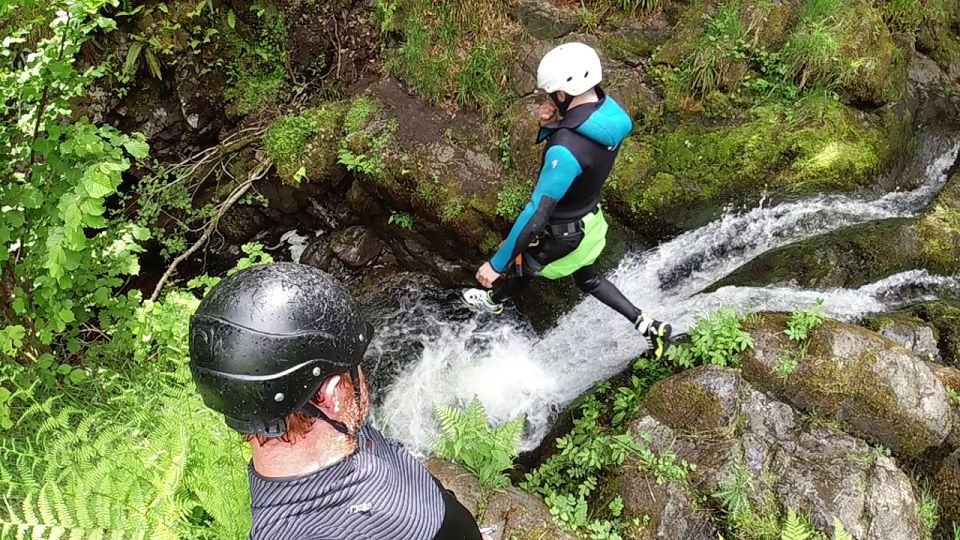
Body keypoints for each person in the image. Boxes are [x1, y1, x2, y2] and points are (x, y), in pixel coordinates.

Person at [189, 262, 487, 539]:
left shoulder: (282, 512)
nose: (363, 374)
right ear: (330, 396)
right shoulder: (402, 521)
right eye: (356, 365)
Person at [461, 42, 672, 359]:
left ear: (564, 93)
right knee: (589, 278)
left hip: (561, 235)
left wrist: (496, 264)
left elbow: (537, 213)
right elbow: (584, 145)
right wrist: (551, 126)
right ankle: (646, 324)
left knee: (522, 267)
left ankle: (493, 301)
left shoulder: (565, 149)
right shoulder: (610, 116)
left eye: (551, 93)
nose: (548, 100)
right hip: (589, 219)